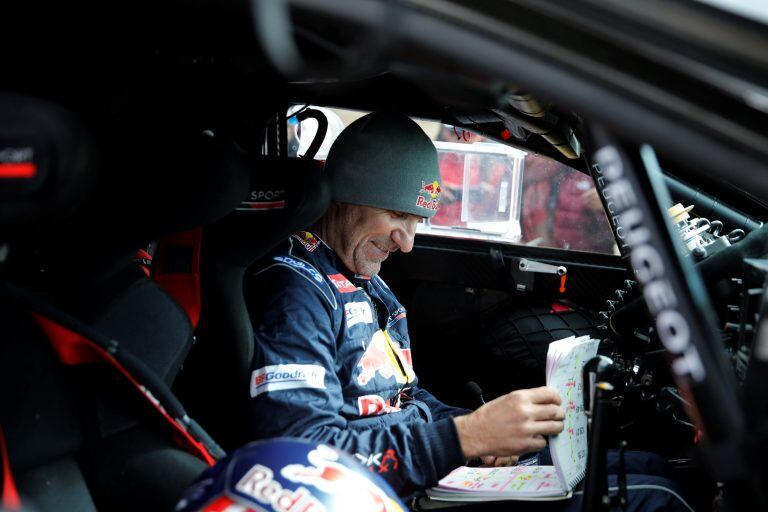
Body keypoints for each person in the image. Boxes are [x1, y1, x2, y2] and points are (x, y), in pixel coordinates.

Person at [245, 111, 694, 510]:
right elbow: (301, 452)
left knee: (653, 467)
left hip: (424, 473)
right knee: (660, 499)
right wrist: (466, 437)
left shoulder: (369, 284)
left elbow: (406, 399)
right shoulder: (296, 292)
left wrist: (478, 428)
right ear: (346, 195)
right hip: (383, 492)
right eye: (396, 215)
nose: (408, 243)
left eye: (417, 222)